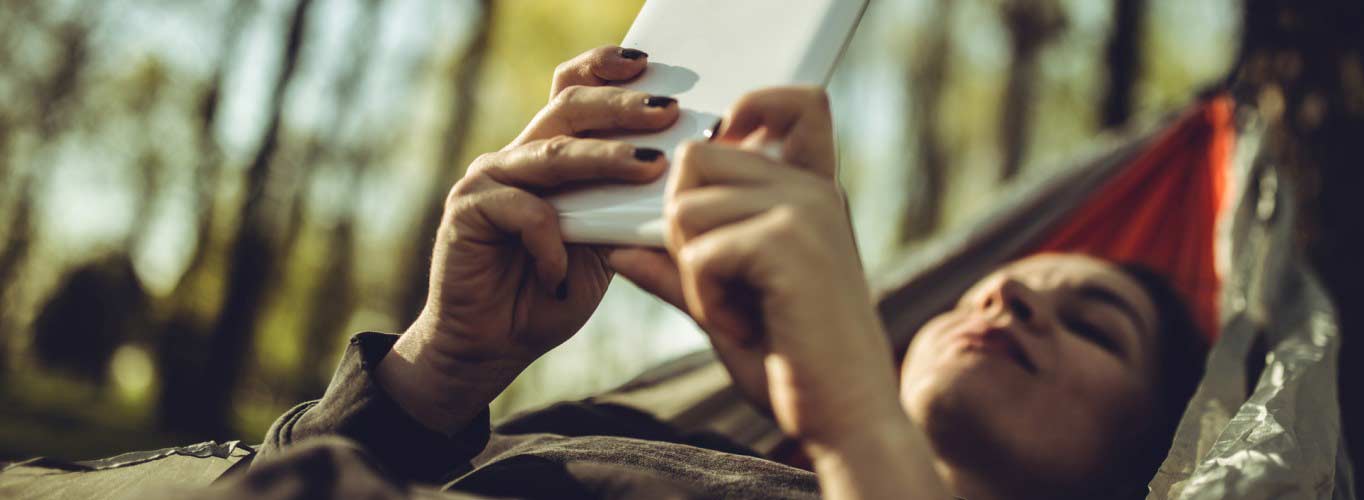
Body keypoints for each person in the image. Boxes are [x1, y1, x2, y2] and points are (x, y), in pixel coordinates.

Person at [228, 46, 1207, 500]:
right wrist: (442, 362)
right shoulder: (615, 430)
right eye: (998, 281)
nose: (1010, 291)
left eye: (1094, 324)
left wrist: (860, 425)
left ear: (1143, 466)